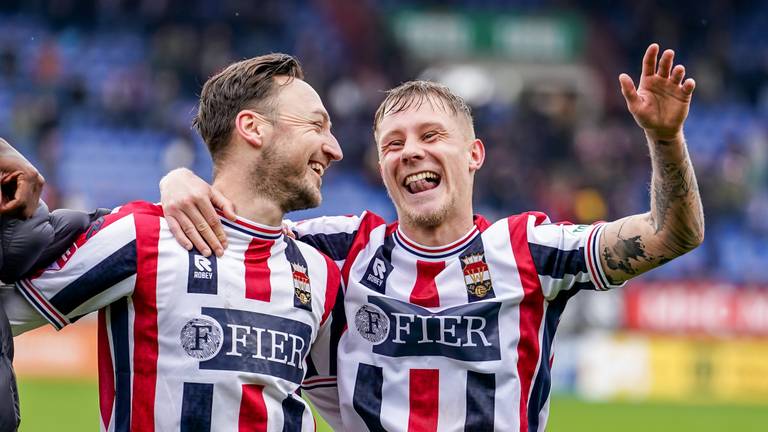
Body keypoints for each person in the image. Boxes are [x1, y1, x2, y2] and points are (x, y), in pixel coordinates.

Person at [0, 53, 346, 431]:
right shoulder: (141, 236)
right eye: (317, 126)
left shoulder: (319, 271)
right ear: (253, 128)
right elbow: (9, 312)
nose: (335, 148)